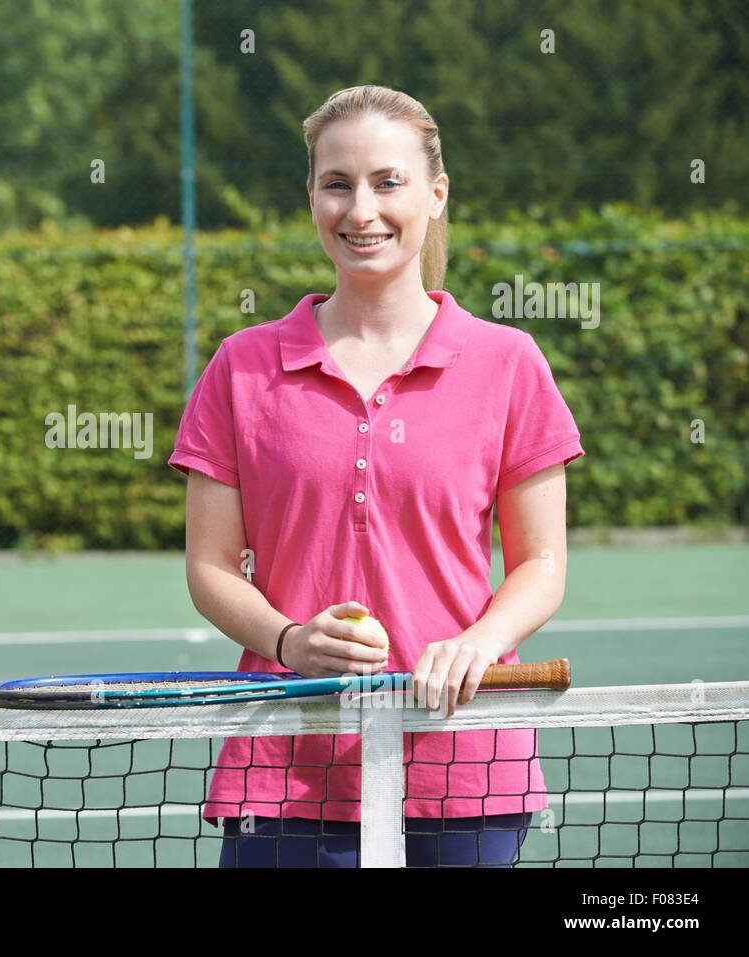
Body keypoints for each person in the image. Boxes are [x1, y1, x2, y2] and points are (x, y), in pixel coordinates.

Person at [169, 85, 584, 867]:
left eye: (387, 182)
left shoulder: (508, 363)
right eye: (338, 183)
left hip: (464, 767)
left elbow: (542, 560)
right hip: (282, 769)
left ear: (435, 193)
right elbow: (209, 564)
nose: (361, 210)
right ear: (313, 196)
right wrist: (289, 641)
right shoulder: (241, 366)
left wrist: (481, 643)